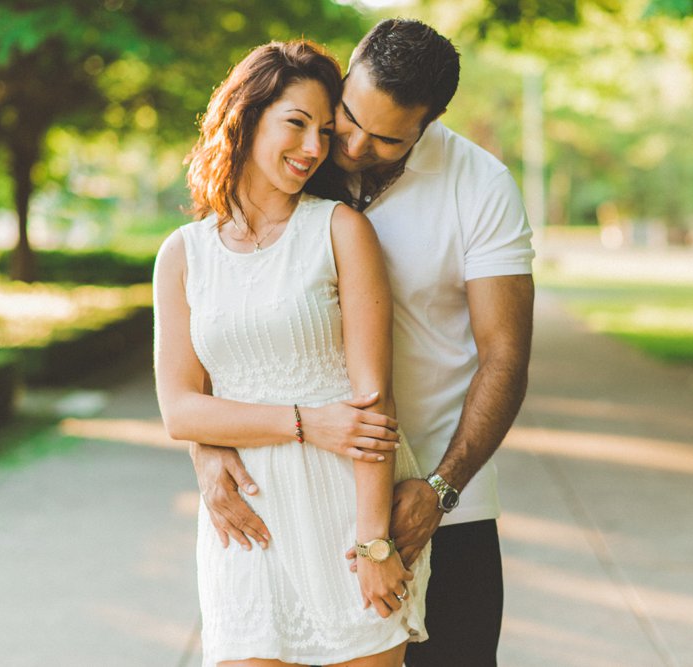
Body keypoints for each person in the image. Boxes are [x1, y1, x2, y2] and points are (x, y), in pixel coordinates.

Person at [192, 19, 536, 666]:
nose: (349, 143)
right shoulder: (299, 157)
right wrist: (206, 453)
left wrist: (440, 488)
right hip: (304, 498)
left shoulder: (481, 186)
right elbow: (222, 311)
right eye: (347, 117)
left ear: (429, 121)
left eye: (385, 138)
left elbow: (504, 357)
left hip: (436, 502)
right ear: (346, 72)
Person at [153, 39, 430, 667]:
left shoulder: (339, 230)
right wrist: (305, 422)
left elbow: (374, 401)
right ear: (246, 118)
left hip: (346, 512)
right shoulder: (183, 254)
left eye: (324, 132)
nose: (312, 148)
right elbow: (180, 410)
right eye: (295, 123)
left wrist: (375, 545)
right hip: (245, 520)